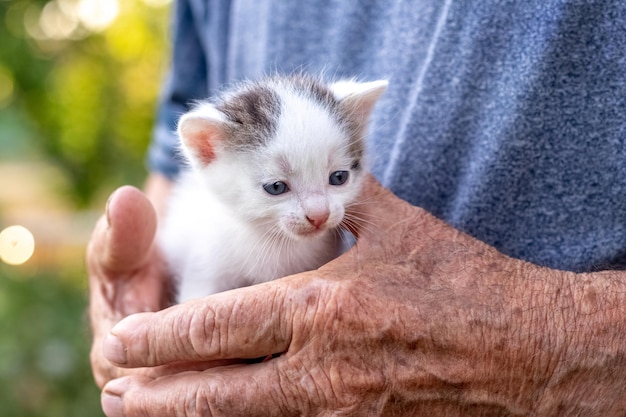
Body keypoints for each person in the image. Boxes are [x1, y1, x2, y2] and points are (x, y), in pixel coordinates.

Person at [88, 0, 626, 415]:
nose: (321, 213)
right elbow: (171, 182)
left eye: (339, 178)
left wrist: (550, 349)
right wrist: (141, 321)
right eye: (277, 187)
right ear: (208, 150)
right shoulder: (217, 185)